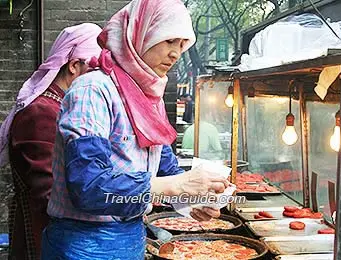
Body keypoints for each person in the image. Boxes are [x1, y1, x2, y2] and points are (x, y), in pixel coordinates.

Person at [41, 0, 230, 259]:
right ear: (140, 34)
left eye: (181, 45)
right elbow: (89, 186)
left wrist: (191, 201)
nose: (176, 53)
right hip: (83, 243)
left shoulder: (149, 97)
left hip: (130, 237)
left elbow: (165, 168)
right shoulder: (93, 90)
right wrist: (177, 184)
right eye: (168, 40)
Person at [0, 23, 102, 260]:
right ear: (74, 66)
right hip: (44, 235)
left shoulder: (64, 105)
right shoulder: (41, 113)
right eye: (95, 69)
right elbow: (49, 192)